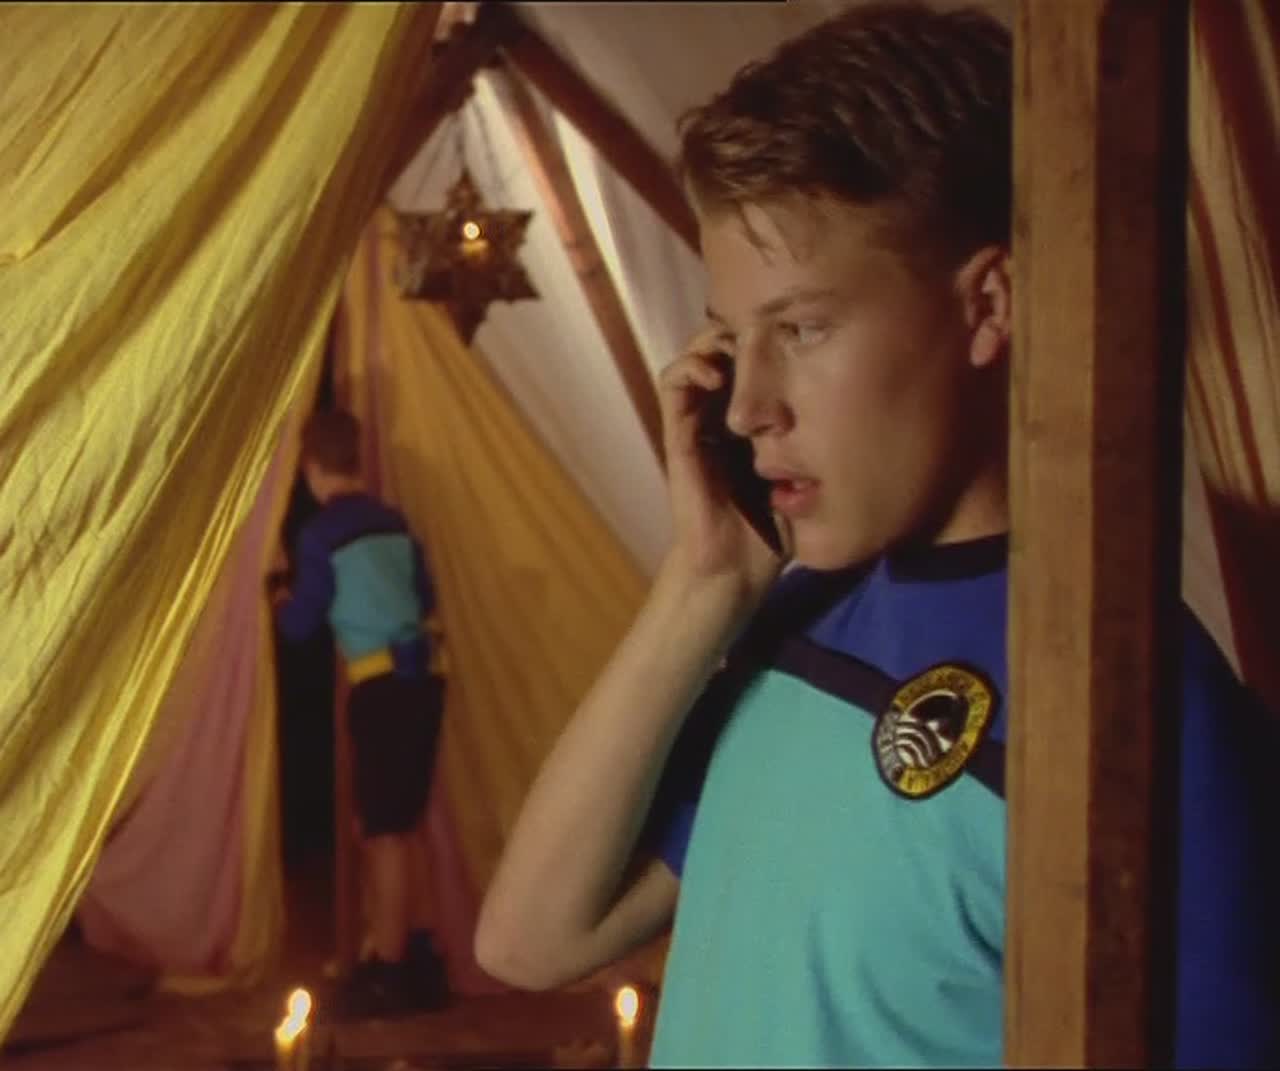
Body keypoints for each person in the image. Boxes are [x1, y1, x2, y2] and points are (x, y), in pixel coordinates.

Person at [473, 2, 1279, 1067]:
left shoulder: (1137, 714)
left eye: (803, 327)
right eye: (732, 336)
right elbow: (530, 942)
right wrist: (705, 580)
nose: (744, 405)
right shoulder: (803, 614)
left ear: (988, 305)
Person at [272, 407, 447, 1018]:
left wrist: (279, 595)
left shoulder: (322, 534)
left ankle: (389, 972)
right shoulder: (393, 521)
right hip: (426, 680)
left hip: (381, 688)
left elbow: (301, 625)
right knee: (405, 826)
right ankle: (419, 956)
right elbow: (425, 595)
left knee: (384, 833)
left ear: (310, 468)